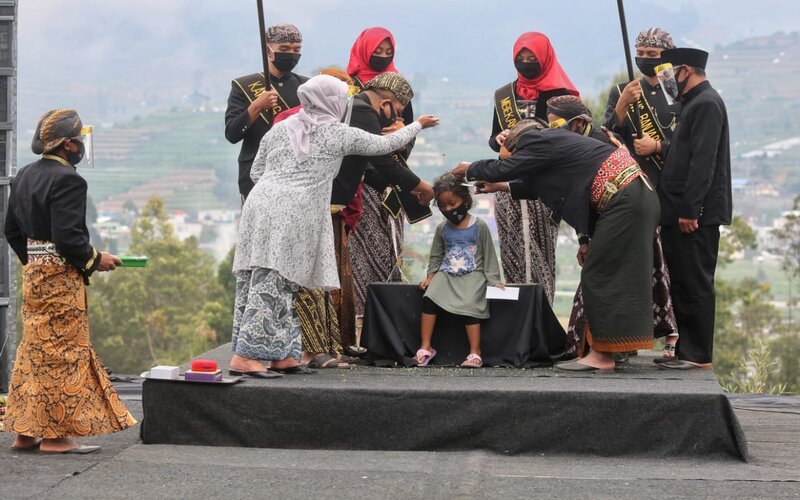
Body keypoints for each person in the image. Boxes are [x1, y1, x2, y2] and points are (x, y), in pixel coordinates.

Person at [230, 75, 439, 378]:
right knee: (272, 281)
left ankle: (282, 354)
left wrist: (278, 186)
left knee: (282, 281)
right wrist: (417, 124)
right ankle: (245, 355)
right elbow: (385, 144)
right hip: (292, 210)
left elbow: (256, 171)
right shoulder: (334, 133)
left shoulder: (281, 128)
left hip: (260, 206)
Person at [454, 124, 660, 372]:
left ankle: (602, 356)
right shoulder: (556, 146)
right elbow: (540, 185)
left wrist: (470, 169)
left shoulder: (534, 140)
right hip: (636, 197)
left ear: (516, 144)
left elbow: (505, 168)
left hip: (625, 201)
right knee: (619, 275)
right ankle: (615, 348)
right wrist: (501, 187)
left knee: (599, 273)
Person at [2, 109, 136, 453]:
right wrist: (94, 259)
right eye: (78, 140)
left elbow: (12, 231)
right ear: (68, 144)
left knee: (35, 350)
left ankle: (26, 431)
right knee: (63, 351)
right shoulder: (69, 180)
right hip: (61, 279)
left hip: (34, 275)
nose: (81, 147)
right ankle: (56, 436)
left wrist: (36, 263)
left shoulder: (24, 175)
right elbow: (68, 238)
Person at [345, 27, 432, 341]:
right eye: (376, 51)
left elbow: (405, 135)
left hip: (390, 181)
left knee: (390, 251)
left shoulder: (399, 88)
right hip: (359, 181)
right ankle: (359, 325)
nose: (382, 56)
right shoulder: (347, 88)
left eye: (387, 51)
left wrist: (397, 135)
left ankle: (387, 325)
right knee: (358, 254)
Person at [603, 27, 681, 359]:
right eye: (641, 54)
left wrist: (659, 144)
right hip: (635, 185)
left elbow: (695, 139)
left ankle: (674, 333)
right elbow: (604, 133)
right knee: (638, 260)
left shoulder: (677, 91)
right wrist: (621, 107)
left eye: (653, 54)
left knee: (673, 260)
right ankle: (632, 333)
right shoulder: (623, 90)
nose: (646, 60)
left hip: (673, 185)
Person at [488, 32, 578, 302]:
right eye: (521, 59)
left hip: (543, 188)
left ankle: (543, 319)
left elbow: (569, 141)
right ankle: (518, 324)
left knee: (541, 255)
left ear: (545, 59)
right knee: (513, 254)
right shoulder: (504, 95)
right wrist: (500, 139)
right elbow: (494, 140)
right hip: (507, 186)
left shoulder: (560, 96)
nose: (526, 63)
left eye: (532, 58)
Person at [656, 48, 731, 370]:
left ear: (685, 70)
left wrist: (691, 210)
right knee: (683, 283)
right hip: (676, 211)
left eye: (669, 74)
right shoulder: (691, 104)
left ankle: (697, 354)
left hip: (693, 216)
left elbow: (703, 162)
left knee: (695, 284)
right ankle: (686, 350)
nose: (667, 81)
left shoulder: (706, 104)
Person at [415, 174, 503, 368]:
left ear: (465, 200)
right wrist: (431, 277)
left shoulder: (479, 226)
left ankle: (475, 352)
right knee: (429, 298)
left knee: (470, 305)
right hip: (446, 274)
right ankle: (426, 346)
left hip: (473, 275)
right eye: (443, 206)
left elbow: (488, 255)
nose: (448, 210)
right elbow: (436, 256)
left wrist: (494, 280)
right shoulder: (441, 228)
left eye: (452, 204)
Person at [224, 23, 307, 200]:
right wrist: (256, 107)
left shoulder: (307, 87)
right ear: (268, 51)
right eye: (284, 48)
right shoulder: (244, 86)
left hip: (297, 176)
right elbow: (232, 134)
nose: (291, 54)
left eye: (296, 49)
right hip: (256, 177)